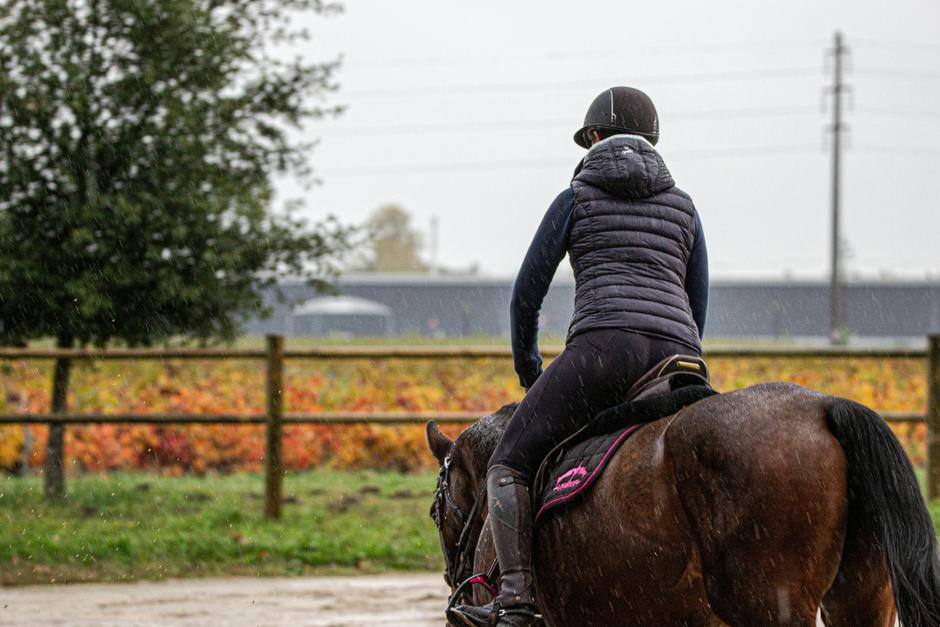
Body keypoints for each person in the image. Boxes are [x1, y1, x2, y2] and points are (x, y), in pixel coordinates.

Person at [448, 87, 709, 627]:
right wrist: (681, 357)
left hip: (601, 350)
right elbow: (696, 297)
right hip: (678, 356)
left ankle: (517, 599)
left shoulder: (576, 196)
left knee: (508, 463)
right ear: (655, 141)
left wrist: (530, 369)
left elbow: (527, 293)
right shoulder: (684, 206)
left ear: (592, 138)